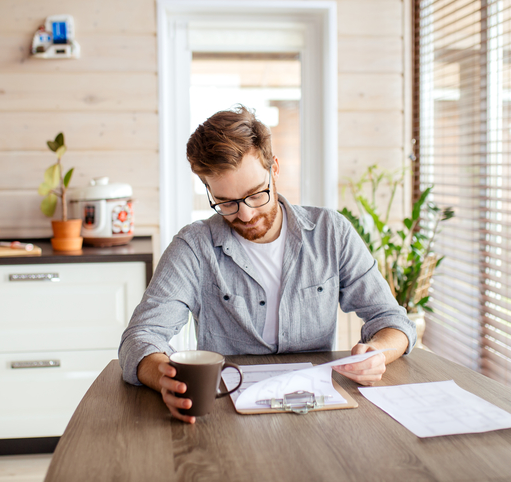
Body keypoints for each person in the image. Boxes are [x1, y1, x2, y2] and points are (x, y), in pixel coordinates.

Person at [119, 105, 416, 423]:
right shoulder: (193, 247)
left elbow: (392, 320)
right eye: (226, 202)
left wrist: (377, 353)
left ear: (274, 168)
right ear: (208, 190)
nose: (245, 214)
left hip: (316, 414)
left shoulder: (331, 232)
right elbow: (141, 336)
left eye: (255, 194)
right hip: (224, 415)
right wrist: (164, 377)